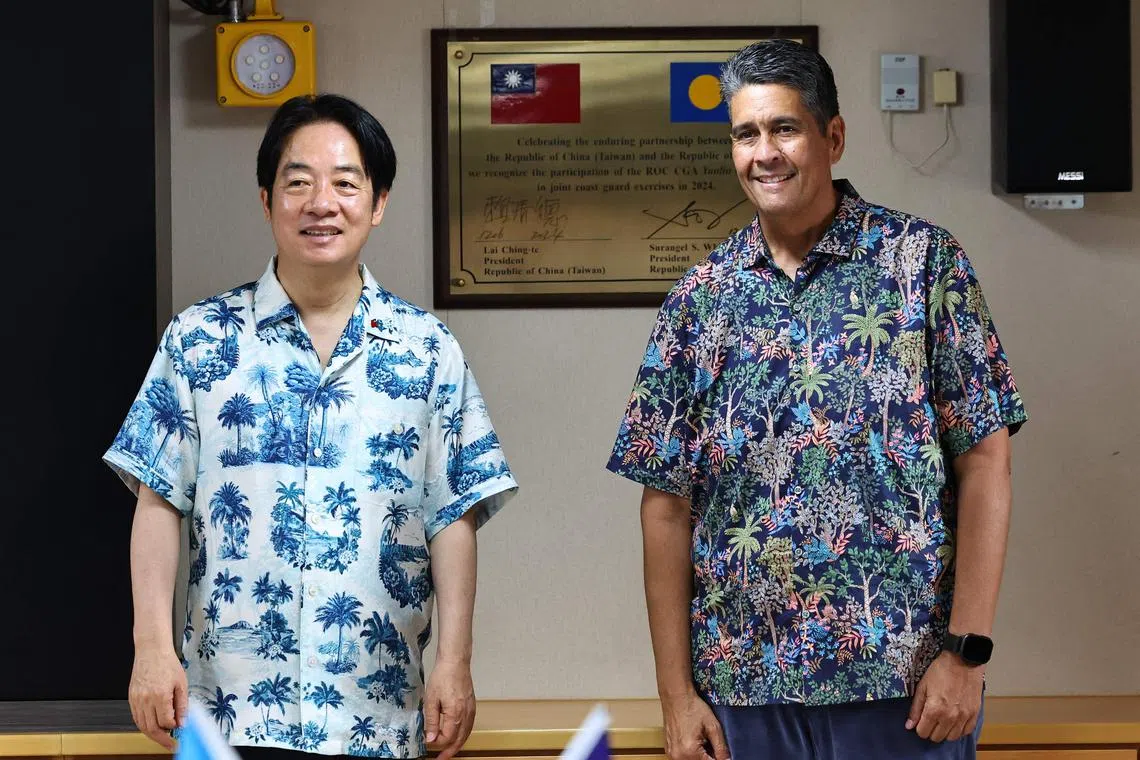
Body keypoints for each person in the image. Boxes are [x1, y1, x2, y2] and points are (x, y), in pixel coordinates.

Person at [606, 39, 1026, 760]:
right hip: (743, 693)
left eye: (783, 128)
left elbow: (985, 463)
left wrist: (968, 653)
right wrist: (675, 695)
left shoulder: (924, 265)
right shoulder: (700, 300)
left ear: (832, 136)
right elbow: (665, 507)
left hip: (905, 689)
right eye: (745, 134)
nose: (763, 153)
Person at [104, 93, 517, 760]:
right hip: (229, 719)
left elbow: (454, 516)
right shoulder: (200, 339)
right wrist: (152, 649)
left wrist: (455, 661)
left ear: (378, 202)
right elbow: (158, 499)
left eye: (346, 183)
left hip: (378, 719)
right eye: (298, 182)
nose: (321, 202)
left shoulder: (427, 349)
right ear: (266, 199)